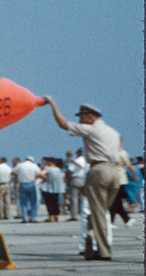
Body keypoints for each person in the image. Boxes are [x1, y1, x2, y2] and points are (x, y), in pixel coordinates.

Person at [44, 98, 126, 260]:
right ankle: (95, 236)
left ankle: (103, 251)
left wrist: (53, 104)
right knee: (103, 212)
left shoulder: (91, 129)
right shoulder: (113, 132)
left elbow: (63, 124)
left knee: (98, 213)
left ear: (90, 116)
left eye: (81, 116)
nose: (79, 120)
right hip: (115, 172)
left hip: (98, 170)